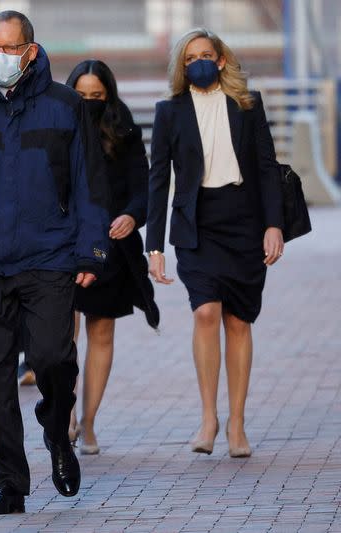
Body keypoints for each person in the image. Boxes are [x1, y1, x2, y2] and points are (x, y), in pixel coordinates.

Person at [0, 11, 111, 515]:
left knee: (54, 358)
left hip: (50, 258)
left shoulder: (66, 106)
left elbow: (88, 184)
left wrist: (91, 251)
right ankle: (9, 481)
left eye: (10, 49)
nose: (0, 57)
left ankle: (58, 433)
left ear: (30, 52)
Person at [147, 28, 284, 458]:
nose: (198, 63)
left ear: (222, 60)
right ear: (180, 67)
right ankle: (209, 418)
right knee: (206, 311)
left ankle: (237, 424)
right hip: (197, 224)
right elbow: (157, 180)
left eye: (206, 55)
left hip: (244, 220)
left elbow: (266, 167)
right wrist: (154, 247)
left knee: (239, 321)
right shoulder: (169, 111)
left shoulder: (248, 104)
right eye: (189, 59)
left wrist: (274, 225)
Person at [65, 60, 159, 455]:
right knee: (60, 334)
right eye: (82, 96)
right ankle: (65, 414)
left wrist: (131, 216)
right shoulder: (57, 130)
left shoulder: (125, 132)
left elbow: (145, 186)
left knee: (101, 332)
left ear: (109, 95)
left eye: (97, 97)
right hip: (66, 244)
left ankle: (88, 423)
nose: (89, 103)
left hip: (112, 248)